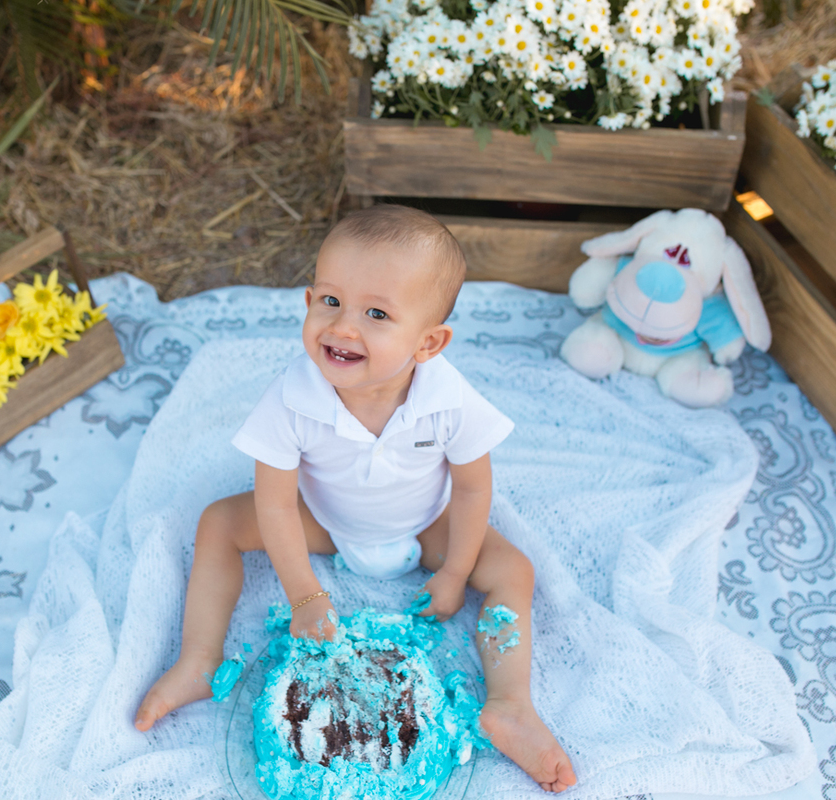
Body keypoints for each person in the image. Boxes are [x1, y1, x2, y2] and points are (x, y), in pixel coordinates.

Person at [134, 204, 576, 792]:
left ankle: (511, 704)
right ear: (309, 301)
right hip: (323, 519)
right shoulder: (291, 397)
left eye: (376, 313)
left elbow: (472, 488)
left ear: (429, 343)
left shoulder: (449, 399)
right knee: (218, 522)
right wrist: (306, 595)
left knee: (513, 570)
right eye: (331, 302)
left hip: (425, 524)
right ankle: (197, 659)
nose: (343, 327)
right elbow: (273, 505)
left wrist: (456, 573)